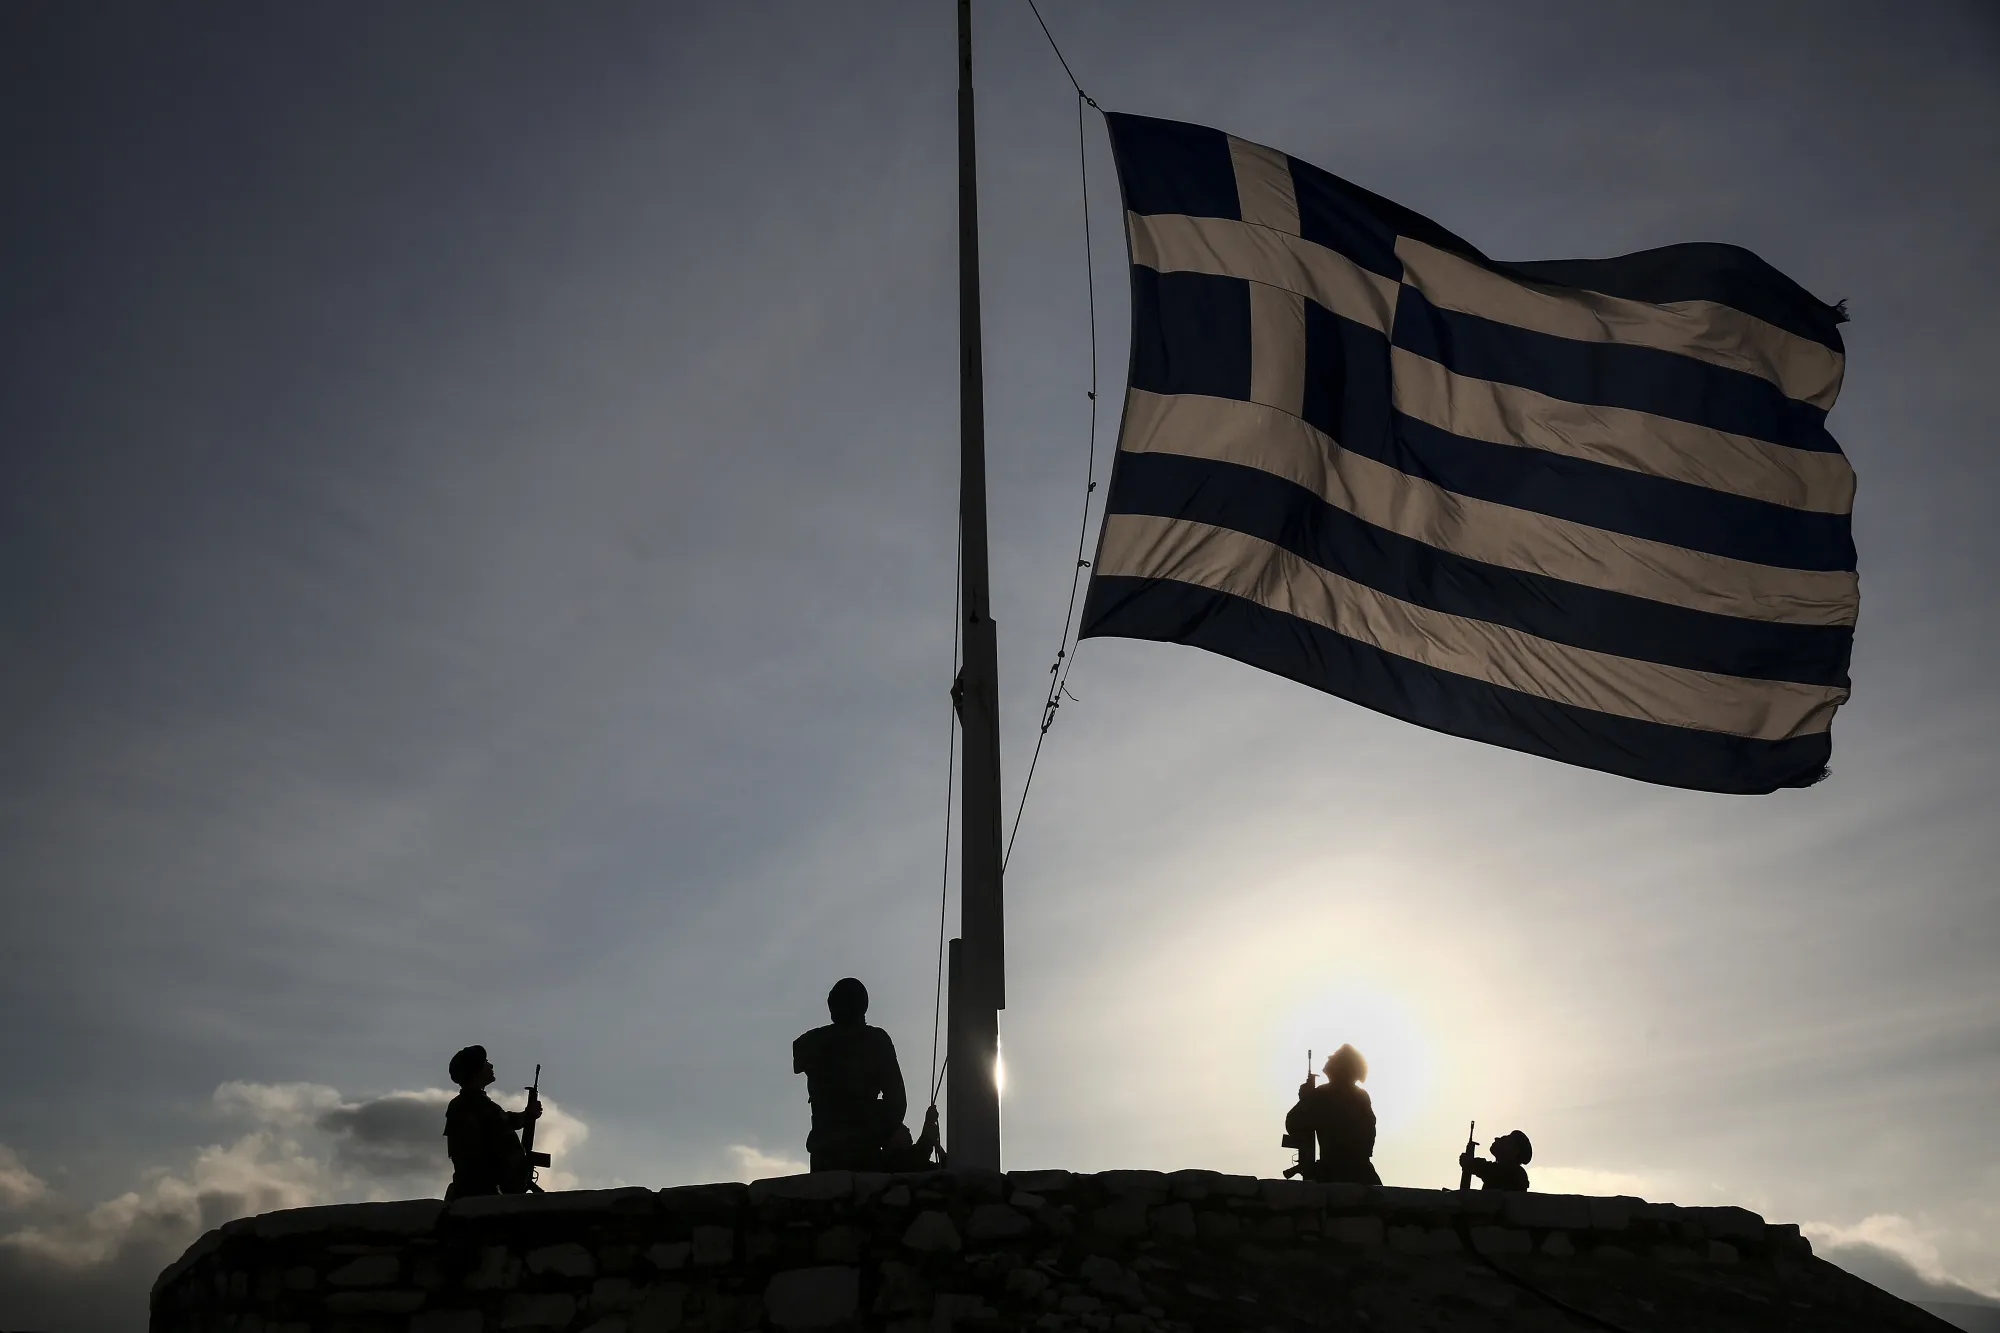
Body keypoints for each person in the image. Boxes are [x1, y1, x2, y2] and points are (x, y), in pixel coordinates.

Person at [791, 978, 907, 1171]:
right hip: (862, 1150)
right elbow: (897, 1103)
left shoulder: (811, 1041)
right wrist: (876, 1132)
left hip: (827, 1150)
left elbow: (897, 1103)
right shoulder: (877, 1041)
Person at [442, 1044, 541, 1201]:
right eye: (485, 1062)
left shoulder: (466, 1105)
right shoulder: (476, 1105)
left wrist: (528, 1115)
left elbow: (503, 1121)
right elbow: (502, 1125)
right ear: (476, 1071)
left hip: (474, 1192)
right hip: (481, 1194)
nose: (491, 1065)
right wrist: (528, 1116)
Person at [1284, 1043, 1380, 1185]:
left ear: (1342, 1066)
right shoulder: (1361, 1096)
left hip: (1334, 1175)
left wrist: (1305, 1099)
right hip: (1360, 1174)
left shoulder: (1323, 1094)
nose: (1329, 1057)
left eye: (1334, 1056)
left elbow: (1293, 1123)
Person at [1460, 1130, 1533, 1192]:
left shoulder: (1515, 1173)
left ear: (1514, 1151)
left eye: (1504, 1139)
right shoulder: (1511, 1172)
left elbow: (1488, 1169)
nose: (1496, 1138)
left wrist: (1469, 1163)